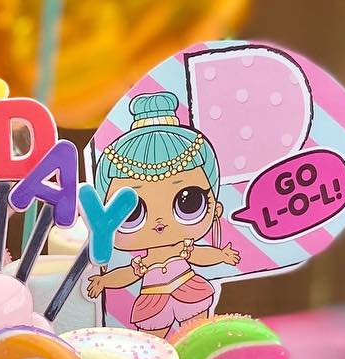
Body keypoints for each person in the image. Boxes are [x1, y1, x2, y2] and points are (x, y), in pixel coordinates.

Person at [84, 91, 240, 335]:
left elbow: (200, 255)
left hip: (188, 289)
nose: (159, 222)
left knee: (195, 338)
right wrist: (104, 281)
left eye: (189, 202)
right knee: (152, 347)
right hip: (153, 300)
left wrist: (221, 255)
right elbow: (127, 275)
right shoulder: (144, 262)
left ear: (215, 207)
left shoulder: (183, 249)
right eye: (132, 211)